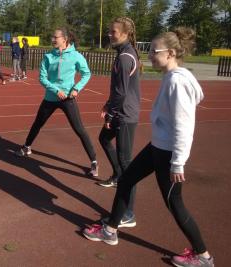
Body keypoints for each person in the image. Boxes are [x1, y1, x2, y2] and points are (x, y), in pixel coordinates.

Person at [83, 27, 214, 267]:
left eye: (155, 51)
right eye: (149, 50)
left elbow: (184, 126)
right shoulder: (172, 77)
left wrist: (178, 162)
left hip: (168, 154)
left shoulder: (178, 81)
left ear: (171, 53)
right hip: (157, 147)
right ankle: (110, 230)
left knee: (175, 204)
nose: (149, 55)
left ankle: (203, 256)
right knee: (126, 180)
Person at [15, 27, 99, 178]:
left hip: (68, 98)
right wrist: (55, 90)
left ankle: (93, 161)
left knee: (79, 129)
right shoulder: (48, 56)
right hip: (51, 97)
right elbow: (42, 78)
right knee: (37, 123)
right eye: (52, 37)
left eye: (55, 37)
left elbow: (86, 74)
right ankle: (27, 147)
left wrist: (76, 89)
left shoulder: (76, 56)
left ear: (64, 39)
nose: (52, 40)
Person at [96, 17, 142, 228]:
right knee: (104, 139)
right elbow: (118, 90)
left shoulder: (125, 57)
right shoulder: (123, 53)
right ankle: (116, 175)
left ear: (124, 33)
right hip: (119, 111)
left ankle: (128, 214)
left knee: (128, 167)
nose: (109, 34)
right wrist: (108, 104)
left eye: (113, 31)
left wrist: (111, 115)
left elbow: (122, 92)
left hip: (125, 116)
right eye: (109, 31)